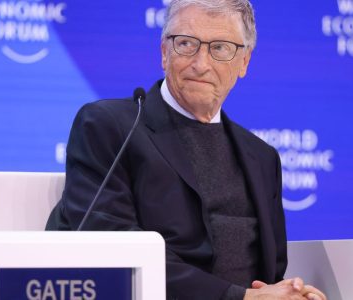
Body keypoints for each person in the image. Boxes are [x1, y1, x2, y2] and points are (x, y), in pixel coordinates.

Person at [46, 0, 326, 299]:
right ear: (164, 52)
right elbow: (109, 244)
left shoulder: (262, 157)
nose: (201, 63)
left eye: (220, 48)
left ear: (244, 62)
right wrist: (237, 297)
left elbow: (272, 271)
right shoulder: (112, 126)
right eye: (186, 44)